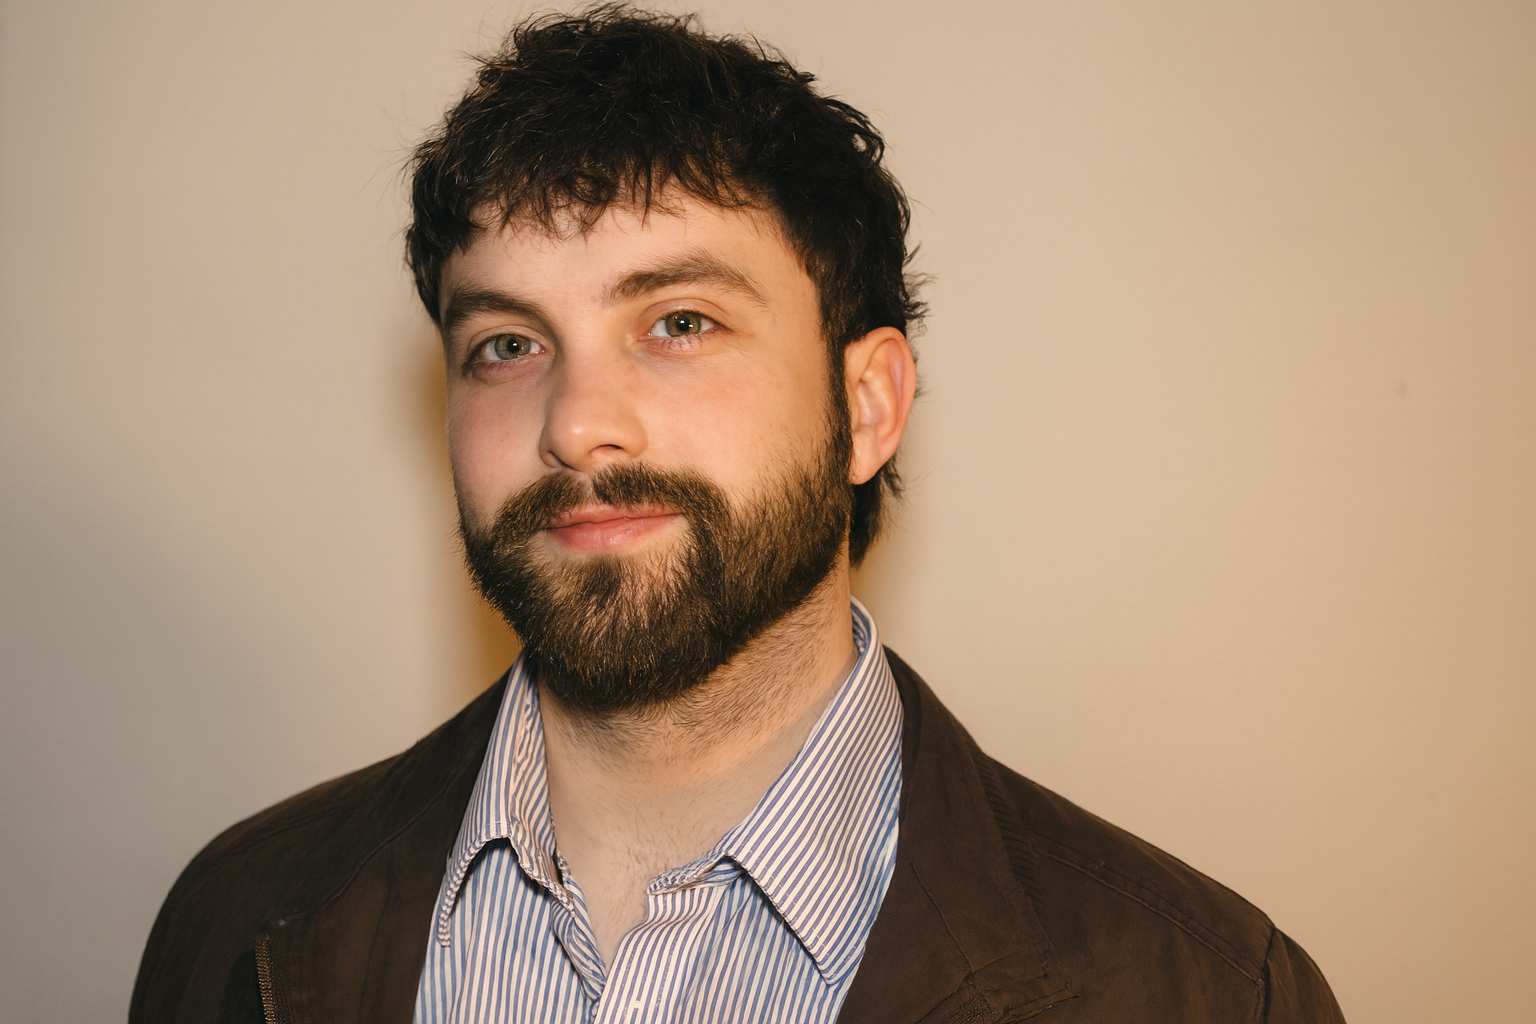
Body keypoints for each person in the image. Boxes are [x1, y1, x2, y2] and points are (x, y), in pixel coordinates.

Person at [129, 7, 1345, 1023]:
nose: (575, 423)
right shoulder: (233, 923)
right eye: (507, 343)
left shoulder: (1211, 992)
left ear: (866, 405)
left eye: (679, 323)